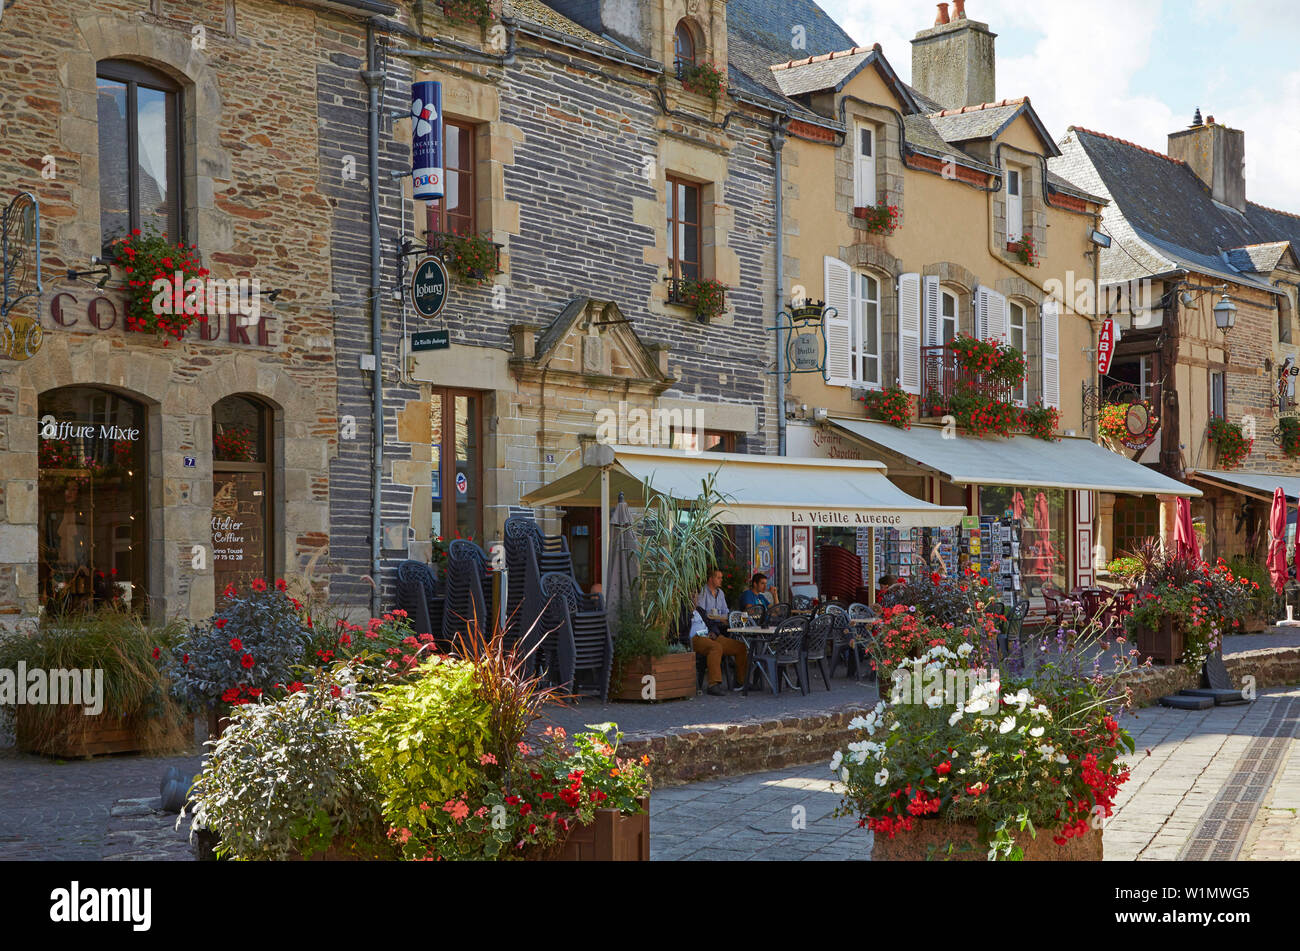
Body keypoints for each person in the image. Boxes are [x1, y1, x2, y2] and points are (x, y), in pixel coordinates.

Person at [693, 569, 747, 695]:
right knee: (716, 647)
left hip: (714, 631)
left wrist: (714, 631)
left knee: (740, 647)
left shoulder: (719, 594)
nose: (695, 596)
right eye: (718, 577)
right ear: (711, 579)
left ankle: (741, 681)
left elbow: (723, 614)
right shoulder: (691, 606)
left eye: (695, 594)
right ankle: (713, 684)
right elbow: (705, 618)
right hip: (699, 636)